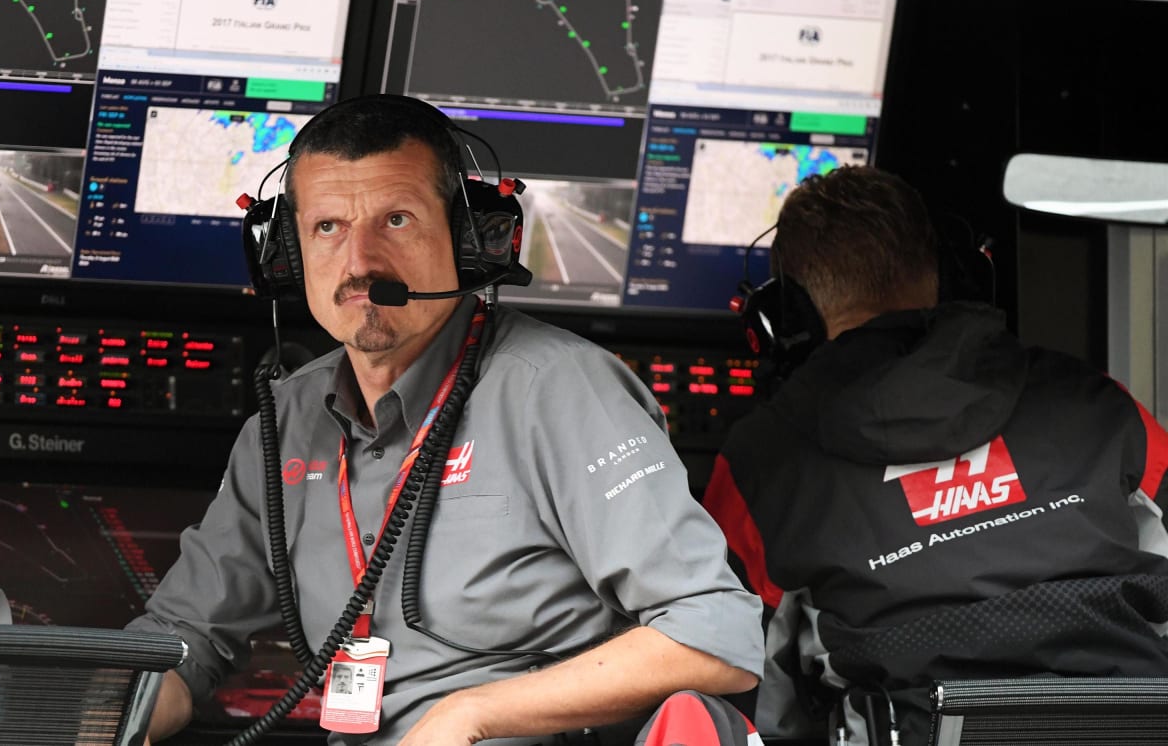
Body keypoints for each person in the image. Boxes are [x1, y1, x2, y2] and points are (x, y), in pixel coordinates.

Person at [129, 95, 763, 745]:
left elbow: (713, 633)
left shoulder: (558, 390)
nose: (359, 263)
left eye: (395, 220)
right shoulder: (287, 420)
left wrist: (473, 713)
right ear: (283, 253)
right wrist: (107, 719)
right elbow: (183, 640)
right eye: (327, 228)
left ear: (467, 239)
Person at [705, 165, 1168, 745]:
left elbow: (734, 670)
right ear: (955, 275)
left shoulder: (762, 462)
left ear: (784, 318)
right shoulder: (1094, 399)